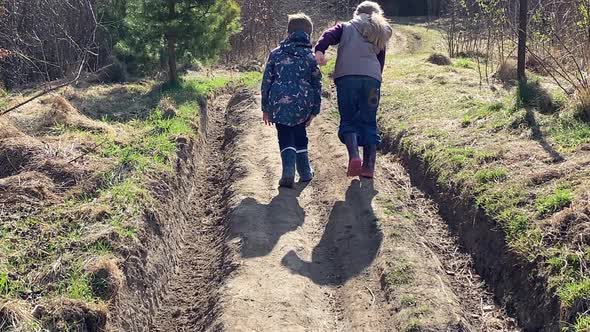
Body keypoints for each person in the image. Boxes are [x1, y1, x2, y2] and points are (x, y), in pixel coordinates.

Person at [314, 1, 392, 179]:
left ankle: (354, 156)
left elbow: (328, 35)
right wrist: (375, 79)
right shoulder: (380, 31)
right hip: (372, 81)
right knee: (369, 121)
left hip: (347, 78)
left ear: (357, 13)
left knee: (348, 118)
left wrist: (319, 50)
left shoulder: (346, 26)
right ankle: (369, 167)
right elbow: (381, 61)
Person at [261, 13, 322, 188]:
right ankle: (304, 172)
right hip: (302, 102)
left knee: (285, 134)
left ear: (288, 32)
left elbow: (266, 81)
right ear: (308, 34)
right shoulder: (311, 57)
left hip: (278, 102)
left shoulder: (275, 54)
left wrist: (265, 108)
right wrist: (314, 110)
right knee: (300, 133)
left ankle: (288, 171)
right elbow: (317, 84)